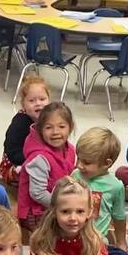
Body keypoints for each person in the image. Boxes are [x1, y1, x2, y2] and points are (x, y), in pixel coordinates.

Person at [17, 101, 76, 236]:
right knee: (47, 241)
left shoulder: (70, 149)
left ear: (70, 127)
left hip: (55, 202)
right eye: (48, 127)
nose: (55, 132)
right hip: (36, 212)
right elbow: (37, 193)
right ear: (40, 129)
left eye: (61, 126)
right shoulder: (40, 158)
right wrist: (64, 205)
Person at [73, 127, 128, 255]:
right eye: (78, 158)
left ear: (107, 163)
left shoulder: (116, 186)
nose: (79, 165)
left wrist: (121, 243)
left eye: (86, 162)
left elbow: (119, 216)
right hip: (71, 238)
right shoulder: (75, 176)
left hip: (97, 244)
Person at [1, 75, 50, 187]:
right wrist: (32, 159)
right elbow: (11, 151)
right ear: (23, 105)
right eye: (31, 100)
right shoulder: (20, 122)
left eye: (42, 99)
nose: (38, 103)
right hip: (15, 163)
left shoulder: (50, 118)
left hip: (41, 158)